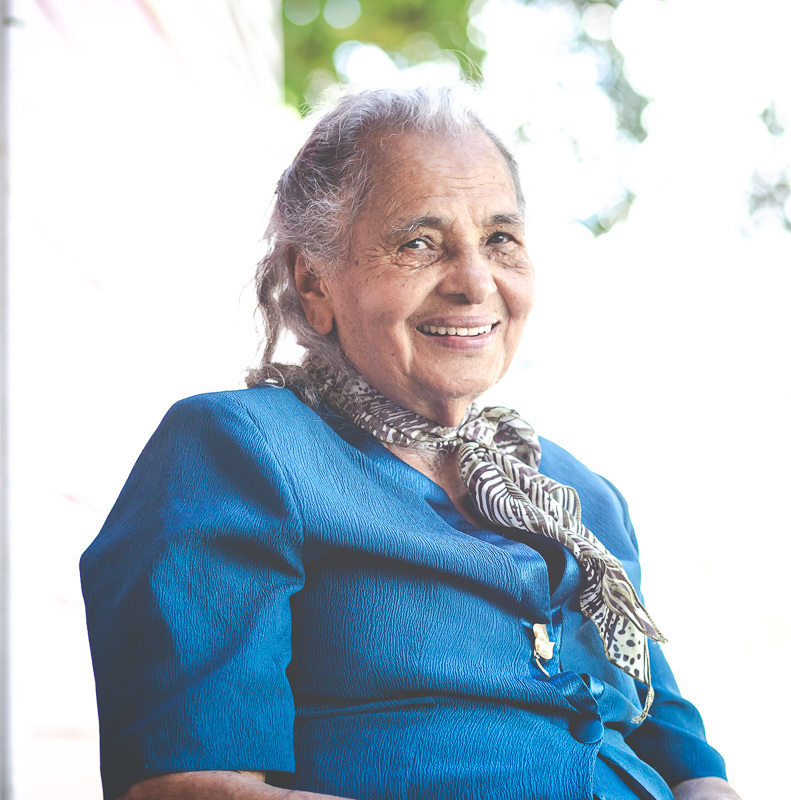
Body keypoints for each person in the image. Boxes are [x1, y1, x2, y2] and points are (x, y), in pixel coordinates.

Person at [81, 85, 742, 800]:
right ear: (315, 283)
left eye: (500, 239)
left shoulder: (578, 498)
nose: (474, 282)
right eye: (419, 243)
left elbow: (683, 757)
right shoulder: (239, 452)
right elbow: (185, 787)